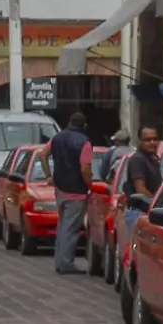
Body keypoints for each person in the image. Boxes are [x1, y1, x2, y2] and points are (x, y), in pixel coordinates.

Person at [47, 112, 95, 275]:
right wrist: (90, 185)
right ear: (84, 125)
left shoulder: (57, 138)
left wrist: (49, 176)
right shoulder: (84, 143)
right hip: (77, 192)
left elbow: (42, 154)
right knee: (71, 228)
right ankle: (66, 263)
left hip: (60, 188)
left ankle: (59, 261)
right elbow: (84, 169)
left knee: (63, 226)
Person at [121, 128, 163, 261]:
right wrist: (158, 204)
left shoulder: (152, 160)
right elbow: (140, 189)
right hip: (138, 213)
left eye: (155, 139)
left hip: (148, 213)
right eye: (147, 140)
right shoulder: (138, 160)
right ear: (139, 141)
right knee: (137, 258)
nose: (152, 142)